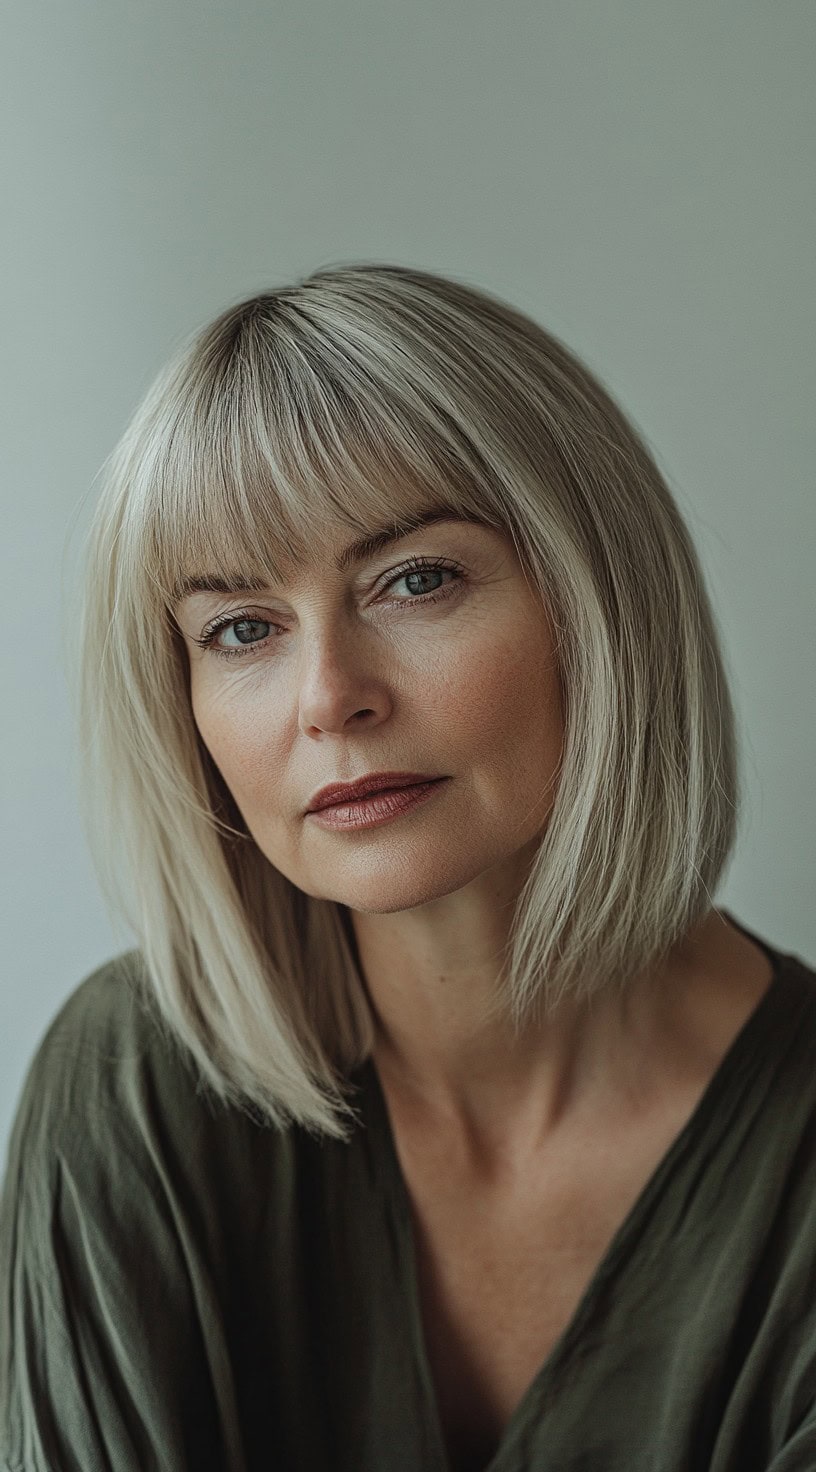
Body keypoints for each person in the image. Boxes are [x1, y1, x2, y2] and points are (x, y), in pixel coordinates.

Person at [1, 263, 814, 1472]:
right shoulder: (135, 1082)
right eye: (242, 628)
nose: (331, 697)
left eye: (415, 578)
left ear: (599, 600)